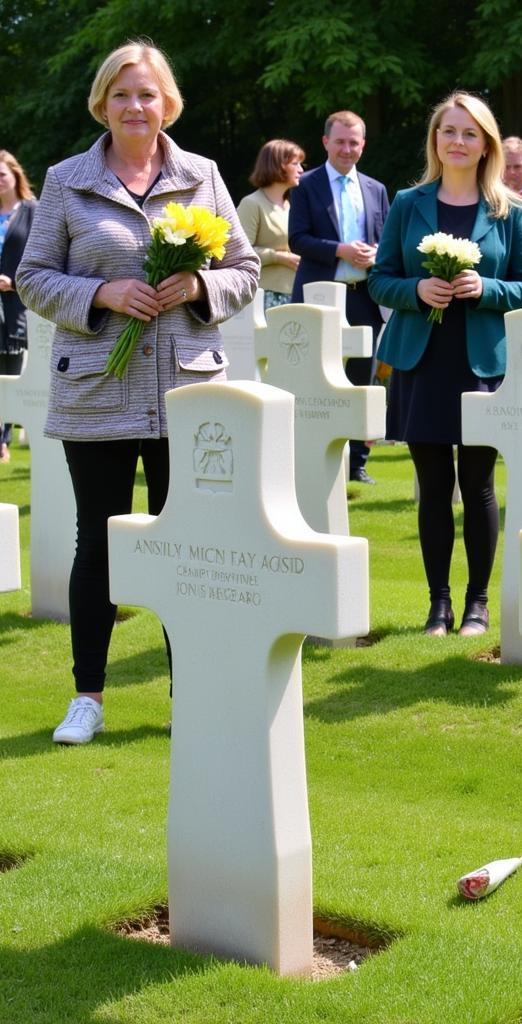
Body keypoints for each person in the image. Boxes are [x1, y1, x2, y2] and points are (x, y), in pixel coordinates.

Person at [16, 41, 259, 745]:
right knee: (100, 544)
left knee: (190, 547)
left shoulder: (203, 176)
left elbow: (243, 269)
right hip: (99, 389)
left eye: (147, 94)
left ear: (167, 103)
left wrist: (200, 285)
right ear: (102, 102)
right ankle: (87, 697)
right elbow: (33, 279)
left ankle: (194, 693)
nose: (135, 106)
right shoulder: (66, 180)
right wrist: (104, 291)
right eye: (121, 94)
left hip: (188, 391)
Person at [368, 91, 522, 637]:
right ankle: (438, 605)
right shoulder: (407, 202)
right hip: (421, 361)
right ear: (436, 140)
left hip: (480, 364)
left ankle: (477, 604)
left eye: (470, 133)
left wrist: (486, 287)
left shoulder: (510, 209)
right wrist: (416, 288)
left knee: (479, 483)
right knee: (432, 483)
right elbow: (380, 278)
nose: (458, 142)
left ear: (486, 142)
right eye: (449, 131)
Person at [288, 110, 389, 483]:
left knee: (361, 379)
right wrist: (340, 250)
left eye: (354, 142)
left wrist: (376, 253)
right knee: (317, 378)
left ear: (363, 144)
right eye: (340, 141)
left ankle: (357, 462)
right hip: (319, 296)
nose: (347, 149)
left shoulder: (376, 189)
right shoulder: (305, 185)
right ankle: (311, 455)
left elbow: (388, 241)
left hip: (364, 295)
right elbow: (297, 239)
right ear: (325, 142)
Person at [236, 139, 305, 310]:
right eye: (295, 164)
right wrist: (279, 257)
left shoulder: (293, 205)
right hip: (265, 296)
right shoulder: (251, 203)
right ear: (278, 165)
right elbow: (238, 252)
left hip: (297, 294)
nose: (301, 170)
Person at [0, 150, 36, 463]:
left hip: (19, 306)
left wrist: (14, 282)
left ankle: (3, 440)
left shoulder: (32, 211)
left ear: (15, 176)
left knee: (12, 374)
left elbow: (44, 257)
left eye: (2, 174)